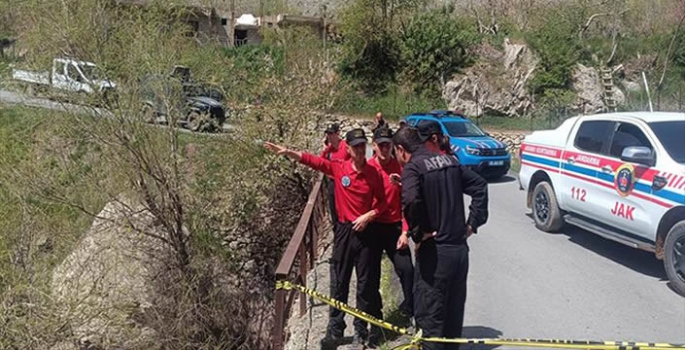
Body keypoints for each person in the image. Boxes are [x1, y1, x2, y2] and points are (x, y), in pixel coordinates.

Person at [264, 129, 387, 348]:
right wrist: (287, 152)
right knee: (340, 281)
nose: (360, 150)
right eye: (355, 146)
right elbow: (311, 161)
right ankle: (336, 326)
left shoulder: (373, 173)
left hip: (367, 232)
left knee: (365, 284)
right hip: (344, 232)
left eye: (362, 146)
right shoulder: (339, 168)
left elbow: (383, 203)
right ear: (347, 148)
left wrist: (369, 216)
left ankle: (361, 329)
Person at [392, 126, 489, 350]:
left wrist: (417, 233)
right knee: (453, 319)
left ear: (400, 149)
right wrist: (472, 224)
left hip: (435, 255)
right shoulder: (450, 161)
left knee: (430, 320)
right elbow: (480, 186)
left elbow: (411, 201)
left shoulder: (413, 168)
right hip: (459, 253)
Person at [366, 127, 415, 346]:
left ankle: (412, 312)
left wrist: (406, 231)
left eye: (388, 145)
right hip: (374, 228)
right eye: (381, 145)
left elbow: (409, 203)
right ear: (374, 146)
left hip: (395, 228)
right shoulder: (367, 168)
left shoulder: (401, 168)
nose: (385, 149)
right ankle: (375, 323)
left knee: (407, 270)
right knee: (371, 277)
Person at [321, 123, 350, 228]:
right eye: (328, 134)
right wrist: (324, 149)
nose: (329, 136)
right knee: (334, 210)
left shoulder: (346, 147)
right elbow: (321, 164)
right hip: (333, 182)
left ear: (338, 133)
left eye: (331, 133)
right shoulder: (328, 150)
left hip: (346, 183)